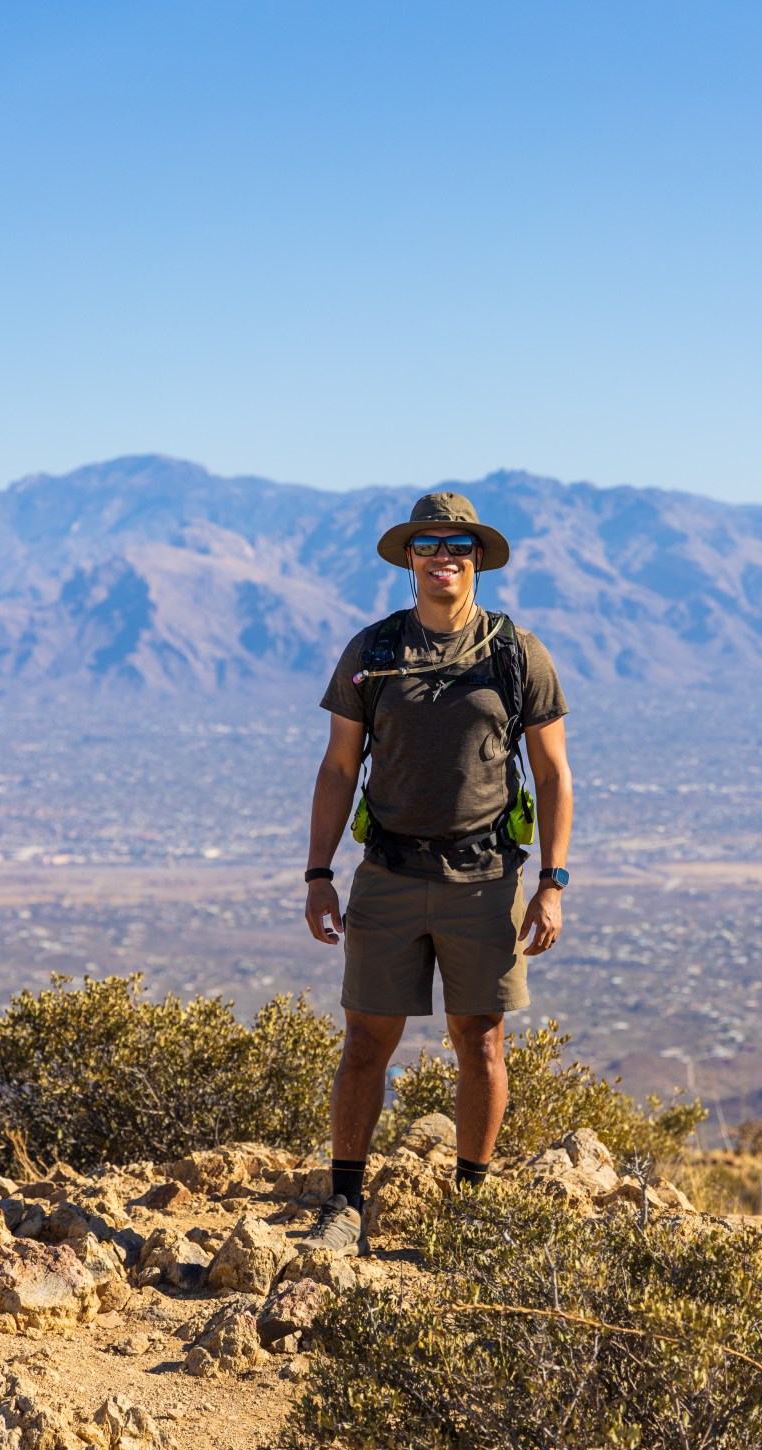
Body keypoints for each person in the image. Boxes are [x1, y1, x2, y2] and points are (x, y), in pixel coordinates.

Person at [299, 491, 573, 1256]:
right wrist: (318, 872)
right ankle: (344, 1202)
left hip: (485, 877)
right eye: (428, 543)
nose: (442, 556)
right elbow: (336, 767)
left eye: (457, 543)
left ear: (477, 558)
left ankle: (472, 1208)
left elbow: (552, 775)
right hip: (386, 871)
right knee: (364, 1039)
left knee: (480, 1039)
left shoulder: (517, 653)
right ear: (409, 559)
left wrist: (552, 881)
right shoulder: (373, 651)